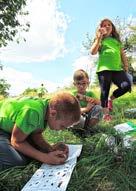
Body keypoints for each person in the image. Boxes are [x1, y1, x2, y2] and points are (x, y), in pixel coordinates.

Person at [0, 92, 80, 171]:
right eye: (62, 126)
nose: (62, 130)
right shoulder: (33, 112)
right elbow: (16, 142)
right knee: (17, 162)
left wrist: (50, 149)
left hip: (11, 130)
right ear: (53, 114)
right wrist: (45, 158)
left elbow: (36, 134)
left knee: (36, 149)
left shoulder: (47, 109)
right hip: (2, 129)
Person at [90, 18, 131, 121]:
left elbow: (122, 54)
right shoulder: (100, 40)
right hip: (104, 69)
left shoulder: (116, 41)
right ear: (100, 28)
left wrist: (126, 66)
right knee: (105, 91)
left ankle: (110, 99)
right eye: (104, 25)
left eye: (109, 25)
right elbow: (93, 52)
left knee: (126, 85)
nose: (107, 26)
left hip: (117, 69)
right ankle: (105, 114)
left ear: (112, 28)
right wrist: (99, 38)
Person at [71, 69, 103, 137]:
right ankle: (77, 131)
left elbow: (99, 103)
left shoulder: (90, 94)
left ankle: (87, 130)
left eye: (84, 83)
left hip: (88, 118)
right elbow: (72, 112)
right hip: (78, 118)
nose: (81, 86)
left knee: (98, 108)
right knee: (79, 119)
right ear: (74, 84)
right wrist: (86, 109)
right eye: (78, 83)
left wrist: (84, 98)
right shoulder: (72, 96)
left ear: (88, 83)